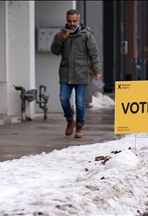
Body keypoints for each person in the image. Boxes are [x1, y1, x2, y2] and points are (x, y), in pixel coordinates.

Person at [51, 9, 102, 138]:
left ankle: (79, 126)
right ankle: (70, 120)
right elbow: (55, 51)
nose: (72, 23)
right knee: (63, 99)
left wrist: (97, 71)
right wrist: (60, 40)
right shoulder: (61, 34)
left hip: (81, 73)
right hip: (65, 73)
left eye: (74, 21)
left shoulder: (86, 35)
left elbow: (94, 54)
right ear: (66, 21)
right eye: (69, 21)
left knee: (79, 102)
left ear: (78, 20)